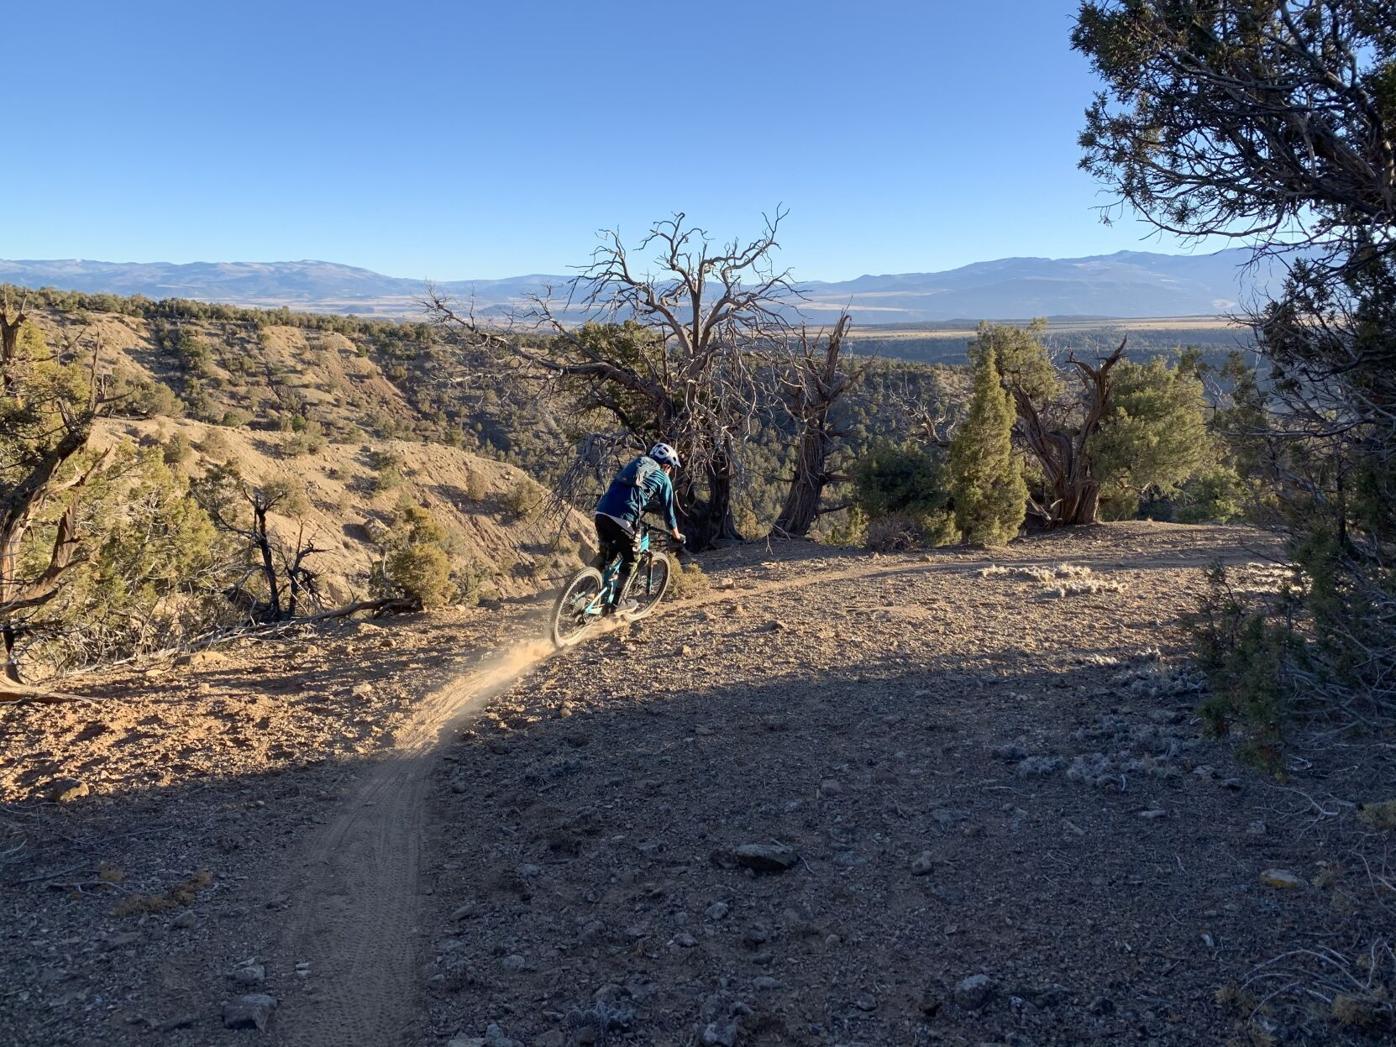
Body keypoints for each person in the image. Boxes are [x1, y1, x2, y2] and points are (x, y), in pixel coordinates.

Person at [593, 442, 685, 614]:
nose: (670, 472)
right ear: (666, 465)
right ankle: (616, 604)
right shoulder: (663, 477)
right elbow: (669, 512)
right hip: (624, 517)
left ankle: (580, 593)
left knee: (606, 554)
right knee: (631, 559)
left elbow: (631, 490)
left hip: (602, 511)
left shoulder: (637, 463)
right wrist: (676, 536)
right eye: (671, 468)